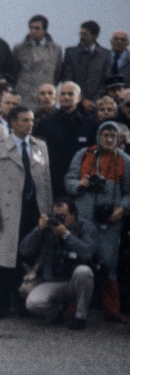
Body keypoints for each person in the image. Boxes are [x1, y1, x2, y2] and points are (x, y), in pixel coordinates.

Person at [0, 106, 53, 318]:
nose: (29, 124)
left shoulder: (40, 146)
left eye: (31, 120)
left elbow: (46, 183)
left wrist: (47, 213)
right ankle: (1, 306)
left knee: (29, 258)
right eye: (24, 120)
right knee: (3, 261)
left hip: (33, 210)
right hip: (8, 211)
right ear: (13, 123)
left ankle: (24, 305)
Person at [66, 120, 129, 321]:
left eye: (113, 135)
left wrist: (123, 208)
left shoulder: (125, 160)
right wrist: (80, 183)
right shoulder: (84, 155)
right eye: (105, 135)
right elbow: (68, 181)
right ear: (98, 136)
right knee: (79, 259)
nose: (109, 139)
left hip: (110, 221)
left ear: (119, 139)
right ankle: (73, 307)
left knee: (109, 263)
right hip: (84, 219)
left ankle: (111, 311)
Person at [18, 198, 97, 329]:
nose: (58, 220)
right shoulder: (49, 226)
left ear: (73, 215)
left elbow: (87, 253)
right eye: (55, 216)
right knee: (33, 303)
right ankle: (57, 311)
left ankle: (80, 317)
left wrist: (66, 234)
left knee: (84, 271)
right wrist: (38, 230)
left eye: (62, 216)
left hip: (75, 281)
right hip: (52, 281)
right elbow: (24, 250)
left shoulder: (85, 226)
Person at [34, 81, 97, 192]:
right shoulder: (45, 124)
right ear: (58, 97)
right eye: (63, 94)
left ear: (79, 98)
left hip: (81, 181)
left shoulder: (90, 124)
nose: (66, 97)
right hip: (54, 181)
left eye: (70, 94)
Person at [11, 15, 63, 109]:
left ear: (45, 30)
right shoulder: (19, 48)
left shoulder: (55, 49)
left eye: (37, 28)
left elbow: (58, 72)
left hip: (46, 93)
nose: (33, 31)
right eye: (31, 28)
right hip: (25, 93)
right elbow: (14, 70)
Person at [62, 21, 112, 102]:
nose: (82, 37)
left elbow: (106, 80)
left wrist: (96, 99)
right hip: (76, 101)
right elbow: (68, 78)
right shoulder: (71, 53)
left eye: (85, 34)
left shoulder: (105, 55)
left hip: (98, 102)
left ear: (95, 36)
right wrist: (82, 99)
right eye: (81, 34)